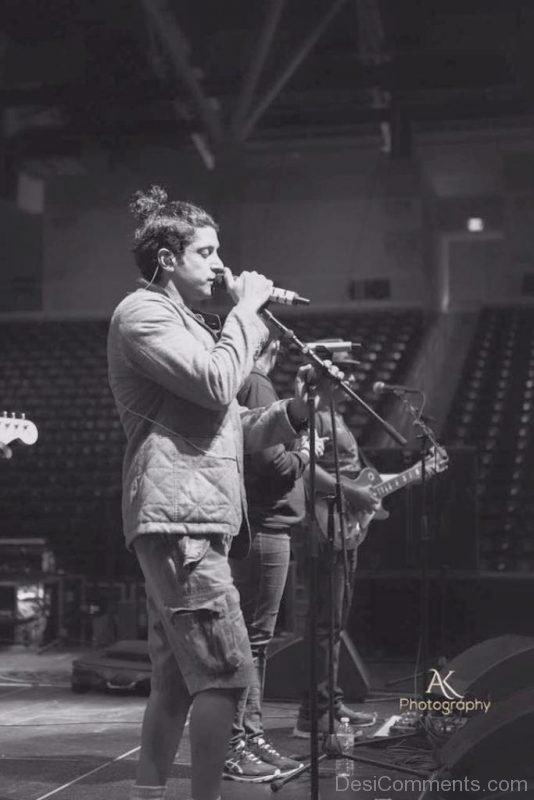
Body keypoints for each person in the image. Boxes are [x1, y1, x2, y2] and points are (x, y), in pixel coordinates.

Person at [107, 185, 321, 800]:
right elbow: (216, 381)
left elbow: (230, 420)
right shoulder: (141, 314)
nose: (222, 265)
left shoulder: (191, 324)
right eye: (207, 252)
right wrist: (245, 311)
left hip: (192, 515)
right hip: (181, 519)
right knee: (227, 677)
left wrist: (296, 411)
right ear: (168, 259)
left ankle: (149, 792)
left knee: (176, 678)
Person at [223, 334, 325, 783]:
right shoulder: (258, 384)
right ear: (273, 350)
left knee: (252, 640)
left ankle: (248, 736)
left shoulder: (244, 383)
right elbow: (275, 466)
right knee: (253, 642)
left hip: (261, 527)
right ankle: (242, 739)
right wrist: (306, 453)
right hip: (265, 528)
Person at [293, 352, 379, 738]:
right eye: (344, 371)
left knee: (334, 623)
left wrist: (362, 494)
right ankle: (315, 714)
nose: (351, 378)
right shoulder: (316, 415)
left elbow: (344, 473)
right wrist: (355, 494)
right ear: (325, 377)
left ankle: (330, 701)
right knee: (325, 624)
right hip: (324, 527)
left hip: (343, 525)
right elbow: (307, 470)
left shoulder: (335, 415)